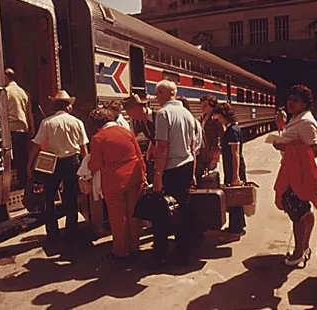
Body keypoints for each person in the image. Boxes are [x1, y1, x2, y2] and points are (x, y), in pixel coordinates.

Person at [27, 90, 89, 244]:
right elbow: (83, 148)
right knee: (71, 197)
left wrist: (30, 164)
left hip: (52, 162)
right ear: (68, 106)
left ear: (55, 105)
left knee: (49, 197)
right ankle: (71, 231)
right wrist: (86, 167)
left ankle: (53, 234)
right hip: (72, 162)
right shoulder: (77, 122)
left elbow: (36, 145)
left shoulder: (47, 122)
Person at [273, 84, 317, 267]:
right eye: (289, 99)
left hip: (300, 175)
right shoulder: (297, 118)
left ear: (306, 103)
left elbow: (313, 151)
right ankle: (305, 247)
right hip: (293, 170)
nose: (290, 103)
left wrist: (284, 147)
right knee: (304, 211)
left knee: (297, 214)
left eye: (296, 100)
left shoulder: (307, 122)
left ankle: (298, 252)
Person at [88, 108, 146, 258]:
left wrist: (87, 167)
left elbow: (96, 164)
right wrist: (144, 176)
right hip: (134, 176)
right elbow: (139, 155)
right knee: (134, 212)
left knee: (117, 216)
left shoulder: (98, 138)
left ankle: (121, 250)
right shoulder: (126, 132)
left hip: (113, 180)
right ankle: (135, 246)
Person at [152, 79, 196, 266]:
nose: (156, 97)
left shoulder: (163, 114)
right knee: (183, 211)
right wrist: (193, 172)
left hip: (171, 169)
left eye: (158, 93)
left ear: (166, 94)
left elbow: (162, 147)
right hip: (186, 166)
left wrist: (158, 176)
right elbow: (193, 147)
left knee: (162, 211)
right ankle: (183, 253)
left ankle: (160, 254)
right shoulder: (187, 114)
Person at [213, 103, 248, 240]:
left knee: (235, 197)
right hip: (232, 167)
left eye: (220, 117)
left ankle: (236, 229)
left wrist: (236, 175)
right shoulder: (234, 128)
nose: (219, 120)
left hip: (234, 168)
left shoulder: (232, 131)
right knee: (236, 197)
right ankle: (239, 225)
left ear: (224, 116)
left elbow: (235, 154)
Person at [0, 68, 35, 188]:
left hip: (11, 129)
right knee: (23, 159)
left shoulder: (6, 92)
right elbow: (29, 113)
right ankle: (24, 183)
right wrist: (32, 129)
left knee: (12, 159)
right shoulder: (23, 92)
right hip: (23, 130)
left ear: (6, 77)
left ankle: (12, 184)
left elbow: (2, 112)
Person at [196, 95, 224, 181]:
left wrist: (217, 153)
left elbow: (222, 136)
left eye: (205, 106)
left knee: (212, 177)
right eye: (202, 105)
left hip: (212, 153)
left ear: (212, 106)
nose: (202, 107)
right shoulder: (201, 118)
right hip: (202, 153)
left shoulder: (216, 120)